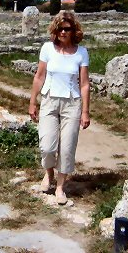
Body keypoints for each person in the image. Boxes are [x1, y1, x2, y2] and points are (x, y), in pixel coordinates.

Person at [29, 11, 91, 205]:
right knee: (47, 146)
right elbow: (39, 76)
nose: (63, 32)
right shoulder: (47, 48)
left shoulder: (81, 53)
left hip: (72, 103)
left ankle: (60, 187)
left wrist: (85, 111)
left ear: (74, 30)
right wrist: (32, 101)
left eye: (67, 29)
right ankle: (48, 174)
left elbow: (84, 84)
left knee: (67, 147)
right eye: (60, 28)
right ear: (55, 30)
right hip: (49, 99)